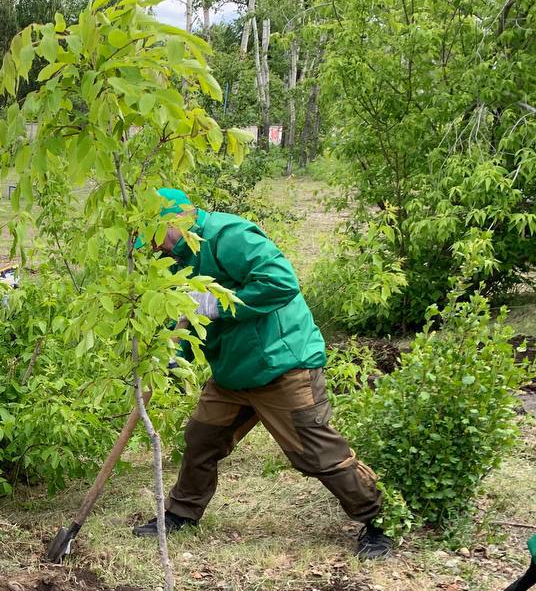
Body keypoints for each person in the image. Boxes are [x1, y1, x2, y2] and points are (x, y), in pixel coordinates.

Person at [131, 188, 394, 560]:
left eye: (155, 237)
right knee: (202, 439)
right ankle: (181, 514)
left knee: (316, 452)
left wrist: (218, 303)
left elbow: (280, 284)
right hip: (232, 370)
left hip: (282, 365)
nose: (153, 247)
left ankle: (381, 520)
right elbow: (188, 316)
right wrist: (174, 355)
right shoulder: (178, 258)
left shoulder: (229, 237)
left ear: (176, 220)